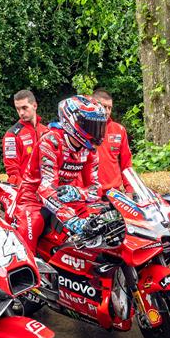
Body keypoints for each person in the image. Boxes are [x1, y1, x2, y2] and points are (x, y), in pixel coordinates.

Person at [14, 95, 106, 252]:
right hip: (33, 198)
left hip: (66, 195)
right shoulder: (50, 141)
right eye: (91, 126)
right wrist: (71, 220)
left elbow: (96, 189)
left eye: (99, 126)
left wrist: (78, 192)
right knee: (29, 234)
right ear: (73, 123)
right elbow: (45, 189)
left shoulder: (89, 149)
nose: (96, 132)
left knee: (98, 224)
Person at [2, 90, 48, 185]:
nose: (21, 113)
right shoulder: (11, 135)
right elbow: (12, 170)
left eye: (24, 108)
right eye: (18, 109)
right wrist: (24, 190)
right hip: (26, 190)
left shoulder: (46, 131)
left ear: (35, 106)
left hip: (46, 188)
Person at [91, 89, 133, 194]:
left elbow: (126, 163)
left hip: (113, 192)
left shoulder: (119, 130)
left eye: (109, 108)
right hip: (89, 193)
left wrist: (129, 190)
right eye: (104, 106)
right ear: (93, 104)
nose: (107, 111)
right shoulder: (83, 129)